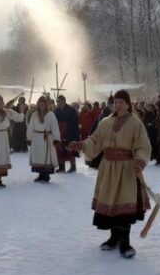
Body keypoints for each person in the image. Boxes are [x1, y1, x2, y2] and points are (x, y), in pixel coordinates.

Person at [68, 90, 151, 258]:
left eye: (121, 102)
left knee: (124, 204)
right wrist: (82, 145)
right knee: (111, 203)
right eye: (116, 102)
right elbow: (95, 140)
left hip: (127, 169)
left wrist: (140, 160)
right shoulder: (105, 122)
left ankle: (125, 242)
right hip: (108, 169)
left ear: (128, 104)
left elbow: (143, 145)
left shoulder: (135, 123)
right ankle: (114, 238)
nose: (118, 105)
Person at [26, 96, 61, 183]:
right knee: (38, 156)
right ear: (38, 104)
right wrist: (29, 138)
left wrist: (56, 138)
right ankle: (40, 175)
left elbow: (55, 127)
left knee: (46, 157)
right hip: (36, 138)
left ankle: (45, 175)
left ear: (46, 105)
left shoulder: (51, 115)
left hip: (46, 138)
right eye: (40, 104)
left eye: (43, 104)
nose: (41, 105)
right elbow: (30, 127)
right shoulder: (34, 114)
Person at [54, 95, 80, 173]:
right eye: (57, 101)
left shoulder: (71, 110)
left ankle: (73, 166)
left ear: (64, 101)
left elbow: (74, 123)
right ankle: (61, 167)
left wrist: (68, 134)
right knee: (59, 149)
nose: (58, 103)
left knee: (70, 149)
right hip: (59, 133)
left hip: (70, 132)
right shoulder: (56, 111)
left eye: (59, 101)